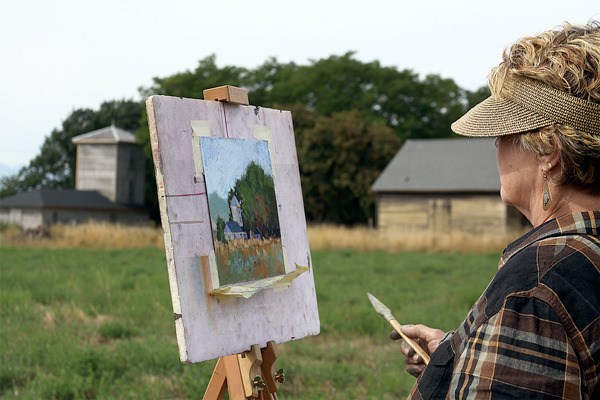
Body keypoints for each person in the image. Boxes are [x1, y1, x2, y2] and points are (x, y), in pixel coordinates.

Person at [391, 21, 600, 399]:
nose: (496, 146)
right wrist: (460, 355)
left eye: (504, 132)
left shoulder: (537, 287)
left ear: (548, 151)